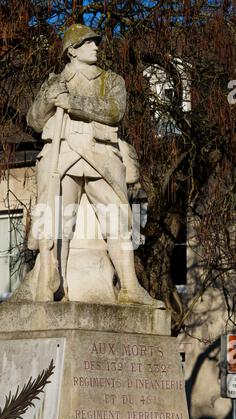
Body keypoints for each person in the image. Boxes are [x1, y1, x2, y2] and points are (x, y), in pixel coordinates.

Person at [27, 23, 163, 308]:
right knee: (57, 221)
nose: (96, 47)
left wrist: (73, 102)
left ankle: (129, 286)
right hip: (64, 154)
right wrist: (49, 100)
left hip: (100, 153)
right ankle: (53, 285)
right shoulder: (55, 81)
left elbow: (114, 111)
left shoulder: (111, 80)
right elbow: (35, 120)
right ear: (72, 51)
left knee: (118, 220)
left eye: (96, 43)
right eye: (88, 43)